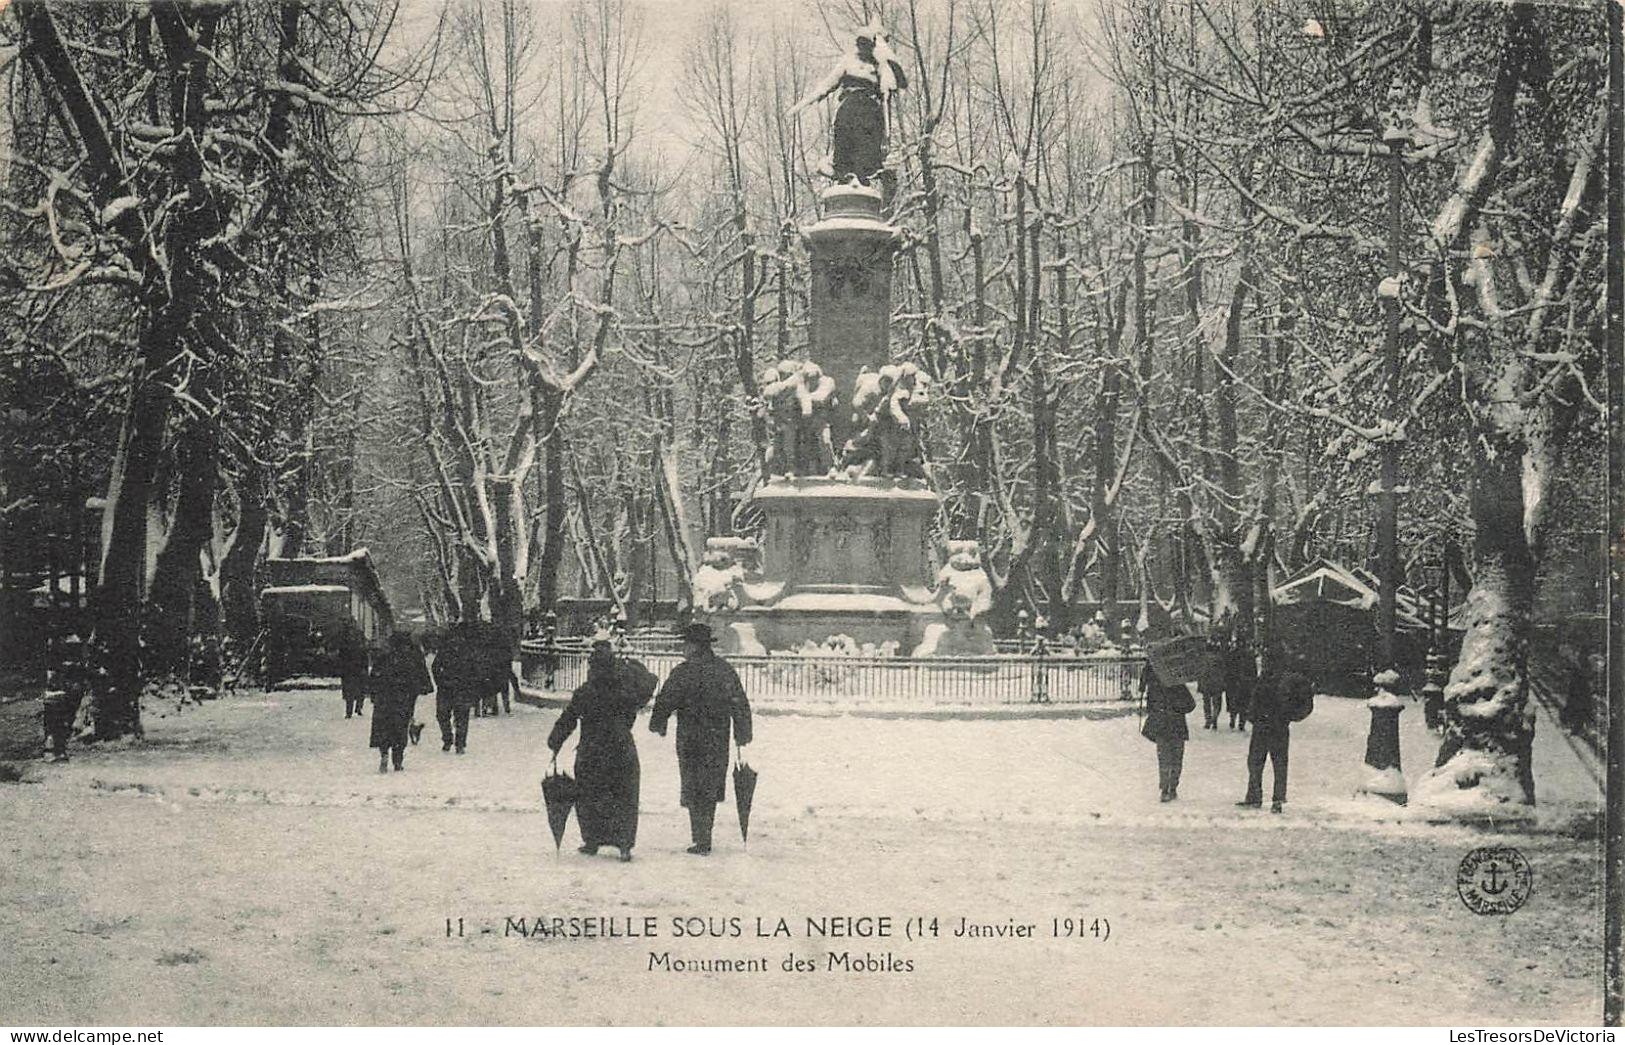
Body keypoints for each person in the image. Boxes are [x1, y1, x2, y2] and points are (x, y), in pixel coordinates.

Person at [547, 636, 656, 862]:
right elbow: (647, 687)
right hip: (621, 747)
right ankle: (624, 844)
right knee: (623, 795)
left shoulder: (586, 691)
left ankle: (592, 840)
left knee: (589, 795)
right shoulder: (626, 689)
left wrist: (555, 741)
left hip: (592, 749)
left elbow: (569, 718)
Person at [649, 622, 753, 855]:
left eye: (686, 644)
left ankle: (701, 837)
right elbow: (739, 703)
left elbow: (666, 700)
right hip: (716, 738)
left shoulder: (683, 672)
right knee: (709, 786)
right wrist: (742, 732)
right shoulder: (724, 670)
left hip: (690, 739)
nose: (683, 648)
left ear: (695, 646)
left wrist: (659, 723)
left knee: (694, 785)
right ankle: (703, 836)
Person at [1238, 670, 1313, 812]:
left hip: (1265, 724)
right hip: (1277, 725)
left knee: (1257, 762)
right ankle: (1277, 799)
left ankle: (1256, 796)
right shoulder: (1287, 678)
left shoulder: (1276, 679)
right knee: (1277, 763)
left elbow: (1255, 697)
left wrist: (1253, 714)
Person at [370, 631, 432, 773]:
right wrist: (421, 689)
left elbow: (374, 677)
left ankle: (384, 753)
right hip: (403, 699)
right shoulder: (410, 659)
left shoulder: (383, 658)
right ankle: (398, 761)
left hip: (384, 699)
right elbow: (419, 676)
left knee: (383, 728)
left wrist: (373, 694)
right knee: (400, 729)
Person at [1141, 668, 1196, 802]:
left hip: (1162, 726)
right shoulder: (1178, 686)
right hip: (1177, 726)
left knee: (1164, 758)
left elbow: (1150, 707)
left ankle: (1165, 788)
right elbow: (1191, 705)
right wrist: (1178, 708)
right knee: (1177, 758)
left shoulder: (1155, 686)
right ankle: (1173, 787)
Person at [433, 621, 478, 754]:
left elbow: (474, 669)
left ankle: (457, 742)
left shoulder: (466, 650)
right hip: (450, 687)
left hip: (458, 687)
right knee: (448, 715)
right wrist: (440, 681)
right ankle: (451, 740)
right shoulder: (446, 649)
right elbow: (435, 666)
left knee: (457, 715)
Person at [336, 620, 369, 720]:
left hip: (350, 669)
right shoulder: (358, 637)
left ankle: (350, 711)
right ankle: (357, 709)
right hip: (356, 668)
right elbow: (364, 653)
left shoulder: (344, 637)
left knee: (351, 692)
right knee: (359, 691)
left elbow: (341, 654)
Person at [1225, 640, 1256, 732]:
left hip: (1233, 683)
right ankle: (1241, 724)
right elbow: (1253, 672)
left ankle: (1232, 720)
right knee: (1244, 704)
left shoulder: (1231, 655)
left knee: (1233, 702)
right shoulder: (1250, 656)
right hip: (1245, 683)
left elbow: (1227, 669)